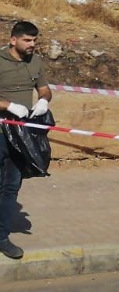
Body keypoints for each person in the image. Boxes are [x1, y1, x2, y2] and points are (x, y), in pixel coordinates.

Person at [0, 21, 53, 260]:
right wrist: (8, 105)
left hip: (20, 137)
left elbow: (44, 89)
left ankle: (1, 237)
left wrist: (43, 100)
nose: (32, 44)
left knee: (11, 187)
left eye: (34, 40)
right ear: (13, 40)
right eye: (27, 40)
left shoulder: (36, 62)